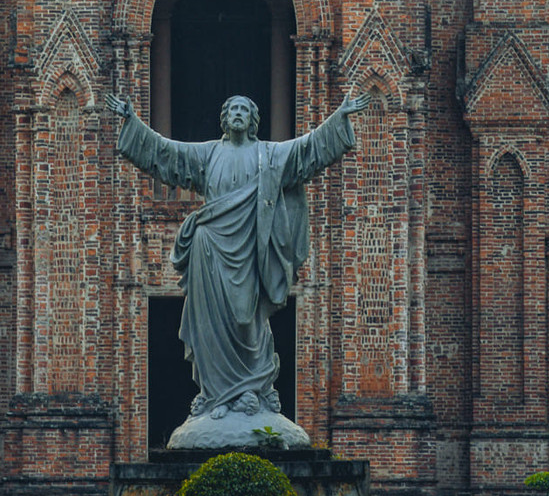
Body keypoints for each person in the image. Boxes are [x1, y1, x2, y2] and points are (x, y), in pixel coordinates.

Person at [106, 86, 371, 443]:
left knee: (246, 317)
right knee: (208, 322)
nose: (237, 114)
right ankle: (216, 394)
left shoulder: (269, 156)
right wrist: (132, 121)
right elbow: (167, 154)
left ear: (254, 121)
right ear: (223, 119)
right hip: (208, 245)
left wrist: (340, 118)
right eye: (232, 110)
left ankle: (251, 389)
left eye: (244, 110)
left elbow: (307, 150)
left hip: (248, 247)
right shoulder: (208, 154)